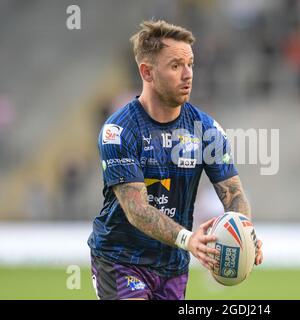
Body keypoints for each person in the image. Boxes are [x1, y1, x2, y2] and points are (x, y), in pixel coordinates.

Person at [87, 19, 263, 300]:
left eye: (190, 64)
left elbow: (233, 192)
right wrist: (188, 238)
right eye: (175, 66)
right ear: (147, 72)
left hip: (173, 267)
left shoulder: (205, 128)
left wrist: (245, 231)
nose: (188, 74)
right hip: (121, 261)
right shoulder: (118, 131)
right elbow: (137, 210)